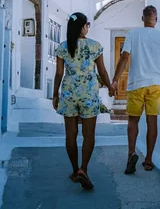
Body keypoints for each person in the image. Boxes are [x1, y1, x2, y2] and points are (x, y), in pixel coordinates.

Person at [53, 12, 113, 190]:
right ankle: (83, 169)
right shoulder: (95, 46)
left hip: (69, 93)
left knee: (70, 135)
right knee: (89, 135)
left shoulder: (63, 47)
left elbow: (58, 74)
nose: (88, 27)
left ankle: (74, 171)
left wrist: (55, 94)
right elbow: (102, 72)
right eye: (87, 24)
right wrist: (110, 86)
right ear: (82, 26)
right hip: (89, 94)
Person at [112, 5, 160, 174]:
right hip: (155, 84)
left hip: (136, 84)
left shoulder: (133, 34)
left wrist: (115, 80)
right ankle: (148, 160)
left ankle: (131, 153)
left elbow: (124, 57)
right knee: (151, 122)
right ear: (156, 18)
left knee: (133, 121)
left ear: (142, 18)